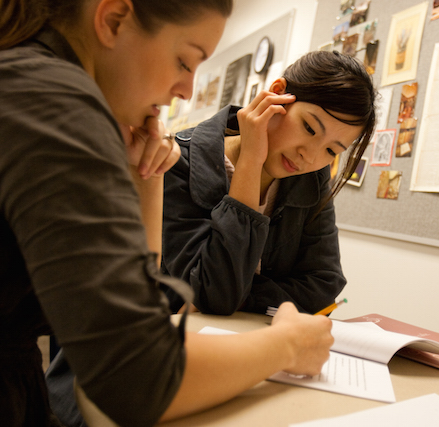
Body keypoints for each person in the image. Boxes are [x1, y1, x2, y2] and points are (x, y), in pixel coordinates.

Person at [0, 0, 333, 425]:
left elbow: (146, 303)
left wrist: (146, 177)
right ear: (113, 19)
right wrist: (288, 345)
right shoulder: (57, 101)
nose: (188, 91)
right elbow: (138, 373)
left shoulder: (34, 80)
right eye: (185, 61)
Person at [161, 50, 377, 316]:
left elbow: (324, 286)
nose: (309, 156)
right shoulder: (178, 160)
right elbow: (216, 293)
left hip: (258, 342)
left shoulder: (311, 176)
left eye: (331, 151)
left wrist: (244, 296)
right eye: (309, 128)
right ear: (277, 94)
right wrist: (251, 160)